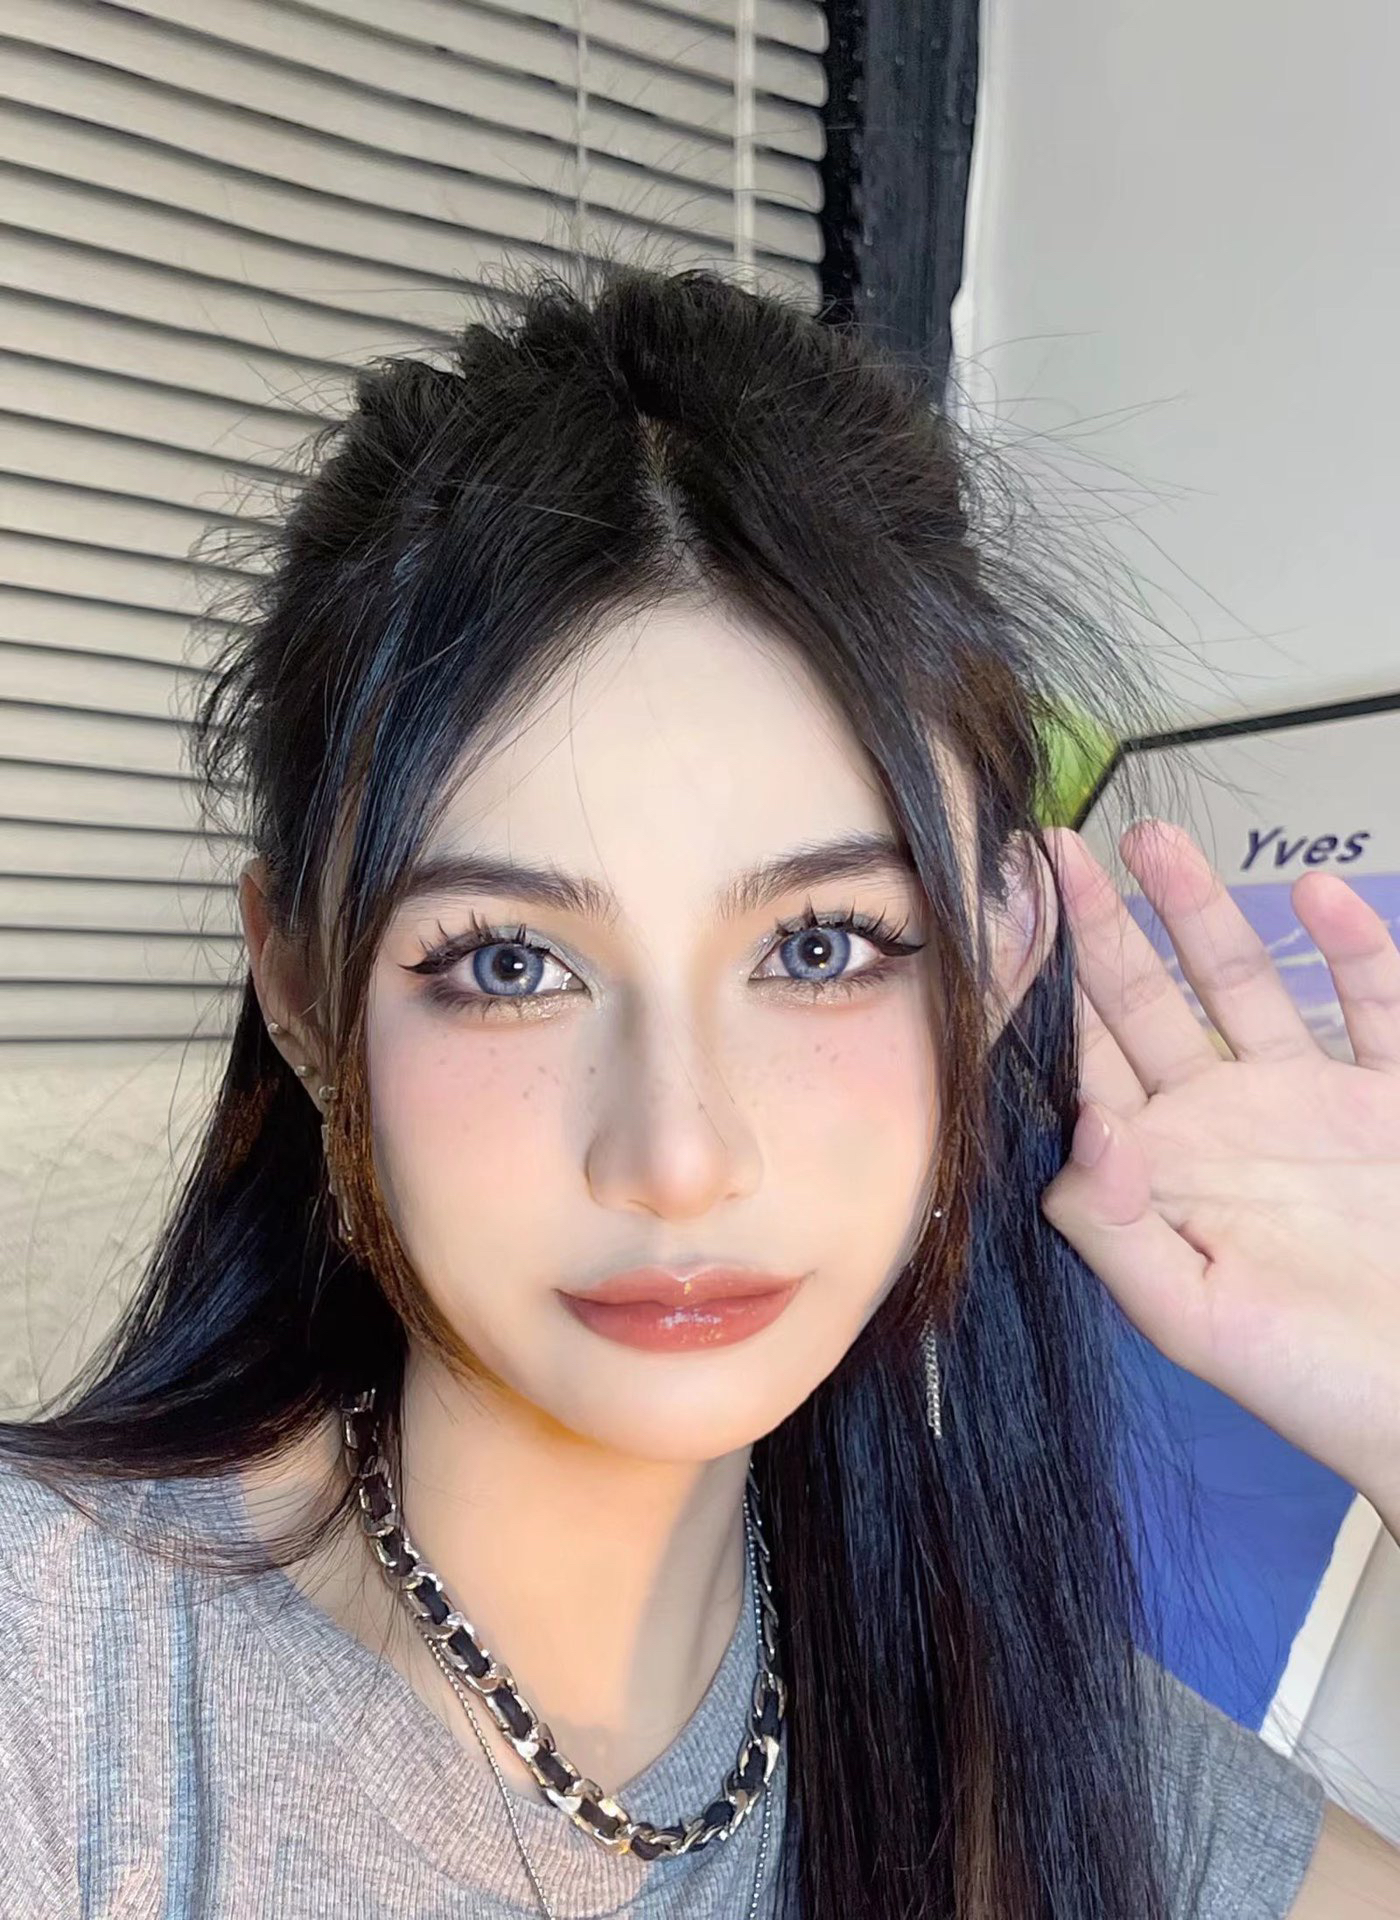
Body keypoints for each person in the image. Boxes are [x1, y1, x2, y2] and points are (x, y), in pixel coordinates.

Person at [1, 259, 1397, 1919]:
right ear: (303, 994)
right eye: (508, 962)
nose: (676, 1157)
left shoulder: (1045, 1766)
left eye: (819, 945)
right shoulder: (54, 1683)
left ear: (997, 958)